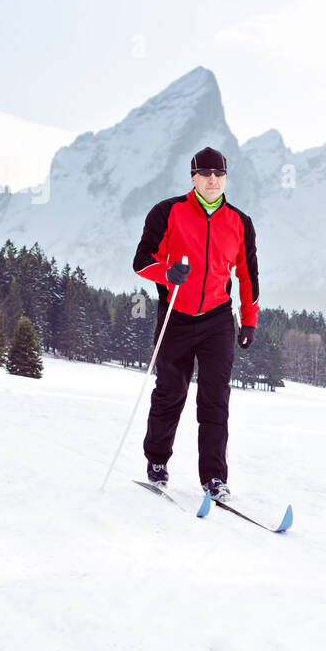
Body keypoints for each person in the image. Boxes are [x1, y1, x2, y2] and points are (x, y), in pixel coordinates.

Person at [131, 146, 258, 504]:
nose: (212, 179)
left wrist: (249, 321)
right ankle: (157, 461)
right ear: (193, 177)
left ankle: (215, 478)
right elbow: (141, 261)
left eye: (218, 173)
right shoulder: (166, 211)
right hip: (176, 314)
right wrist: (168, 273)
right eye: (205, 173)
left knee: (215, 400)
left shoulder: (240, 222)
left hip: (218, 318)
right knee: (170, 393)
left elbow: (248, 275)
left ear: (226, 177)